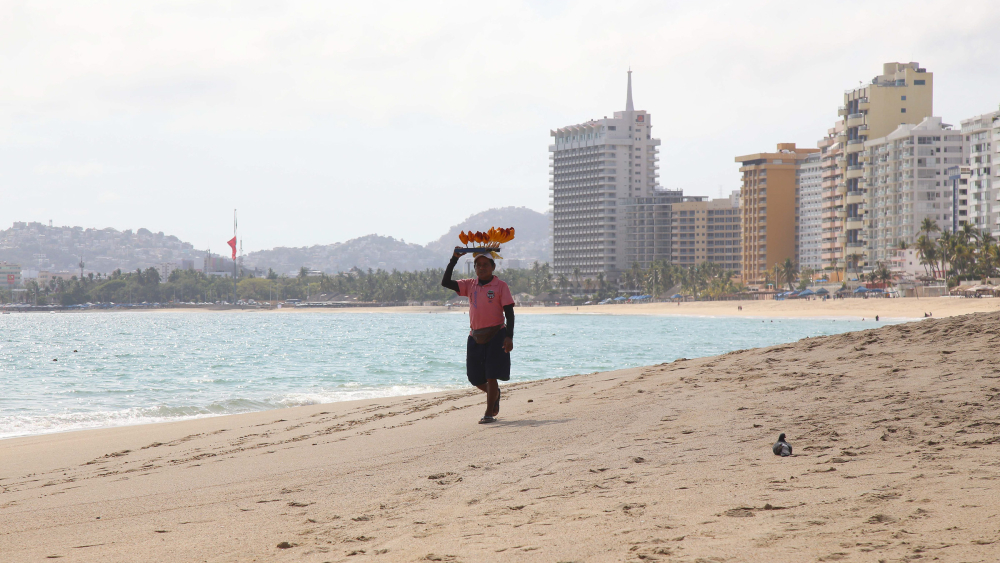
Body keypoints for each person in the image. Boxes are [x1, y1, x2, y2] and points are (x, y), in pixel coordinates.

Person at [441, 249, 515, 424]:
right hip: (475, 336)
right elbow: (445, 282)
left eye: (485, 265)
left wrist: (509, 337)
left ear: (493, 267)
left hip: (497, 334)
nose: (482, 268)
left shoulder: (501, 286)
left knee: (491, 375)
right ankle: (494, 393)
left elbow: (510, 313)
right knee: (474, 377)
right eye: (478, 265)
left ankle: (489, 413)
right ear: (474, 268)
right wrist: (454, 259)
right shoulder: (469, 285)